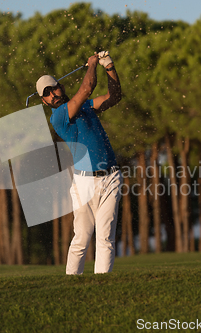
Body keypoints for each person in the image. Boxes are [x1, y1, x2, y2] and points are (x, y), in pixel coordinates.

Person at [36, 51, 123, 274]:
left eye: (53, 88)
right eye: (46, 94)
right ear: (44, 101)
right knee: (82, 238)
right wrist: (92, 64)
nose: (52, 94)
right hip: (85, 184)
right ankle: (72, 283)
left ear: (60, 87)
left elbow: (114, 96)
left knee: (106, 237)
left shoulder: (85, 107)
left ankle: (102, 286)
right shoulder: (59, 116)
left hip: (112, 177)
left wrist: (109, 67)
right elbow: (86, 88)